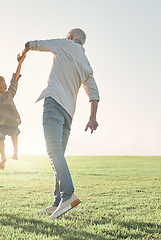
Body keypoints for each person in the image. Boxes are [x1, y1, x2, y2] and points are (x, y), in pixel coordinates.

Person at [18, 28, 100, 218]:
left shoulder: (65, 44)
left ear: (70, 37)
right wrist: (92, 118)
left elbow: (33, 44)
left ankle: (68, 195)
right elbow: (94, 94)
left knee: (53, 151)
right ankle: (57, 202)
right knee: (58, 154)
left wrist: (23, 54)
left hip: (54, 103)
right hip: (69, 113)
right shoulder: (86, 64)